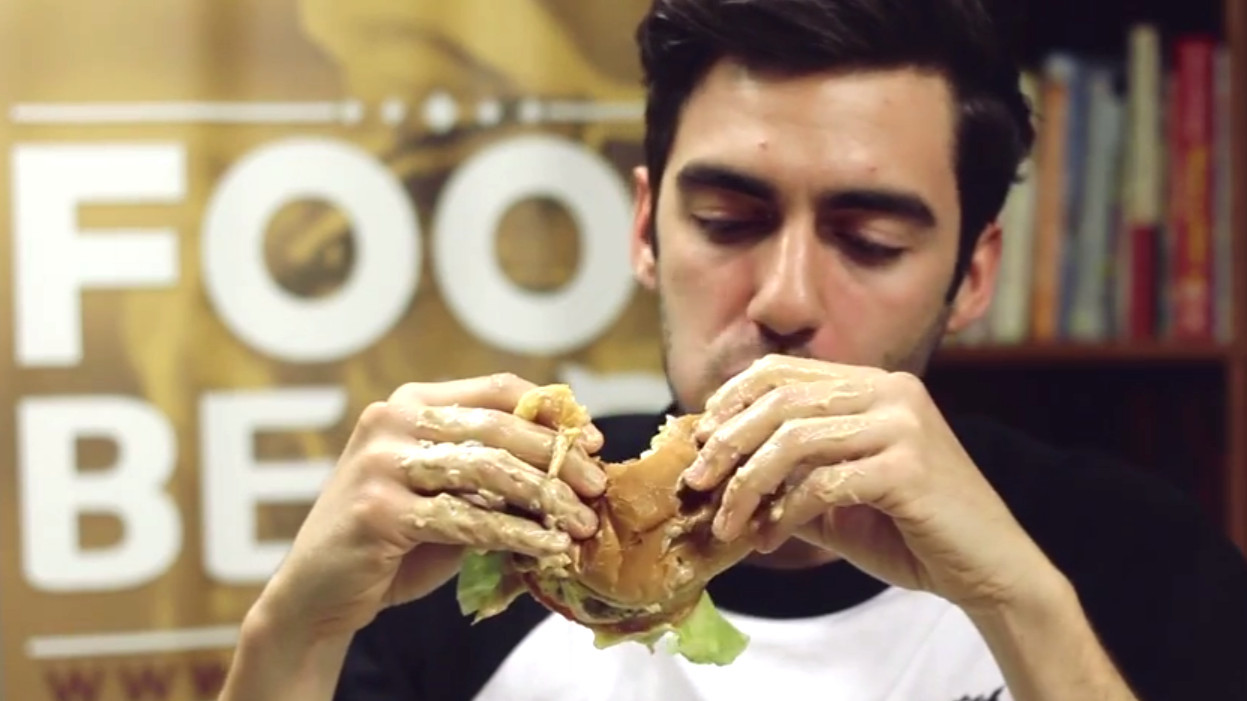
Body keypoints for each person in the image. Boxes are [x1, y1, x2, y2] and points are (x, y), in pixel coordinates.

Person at [217, 1, 1247, 700]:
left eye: (868, 239)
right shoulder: (472, 557)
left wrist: (1020, 606)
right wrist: (291, 635)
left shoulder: (1131, 558)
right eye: (726, 220)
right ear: (644, 230)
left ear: (972, 273)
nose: (785, 298)